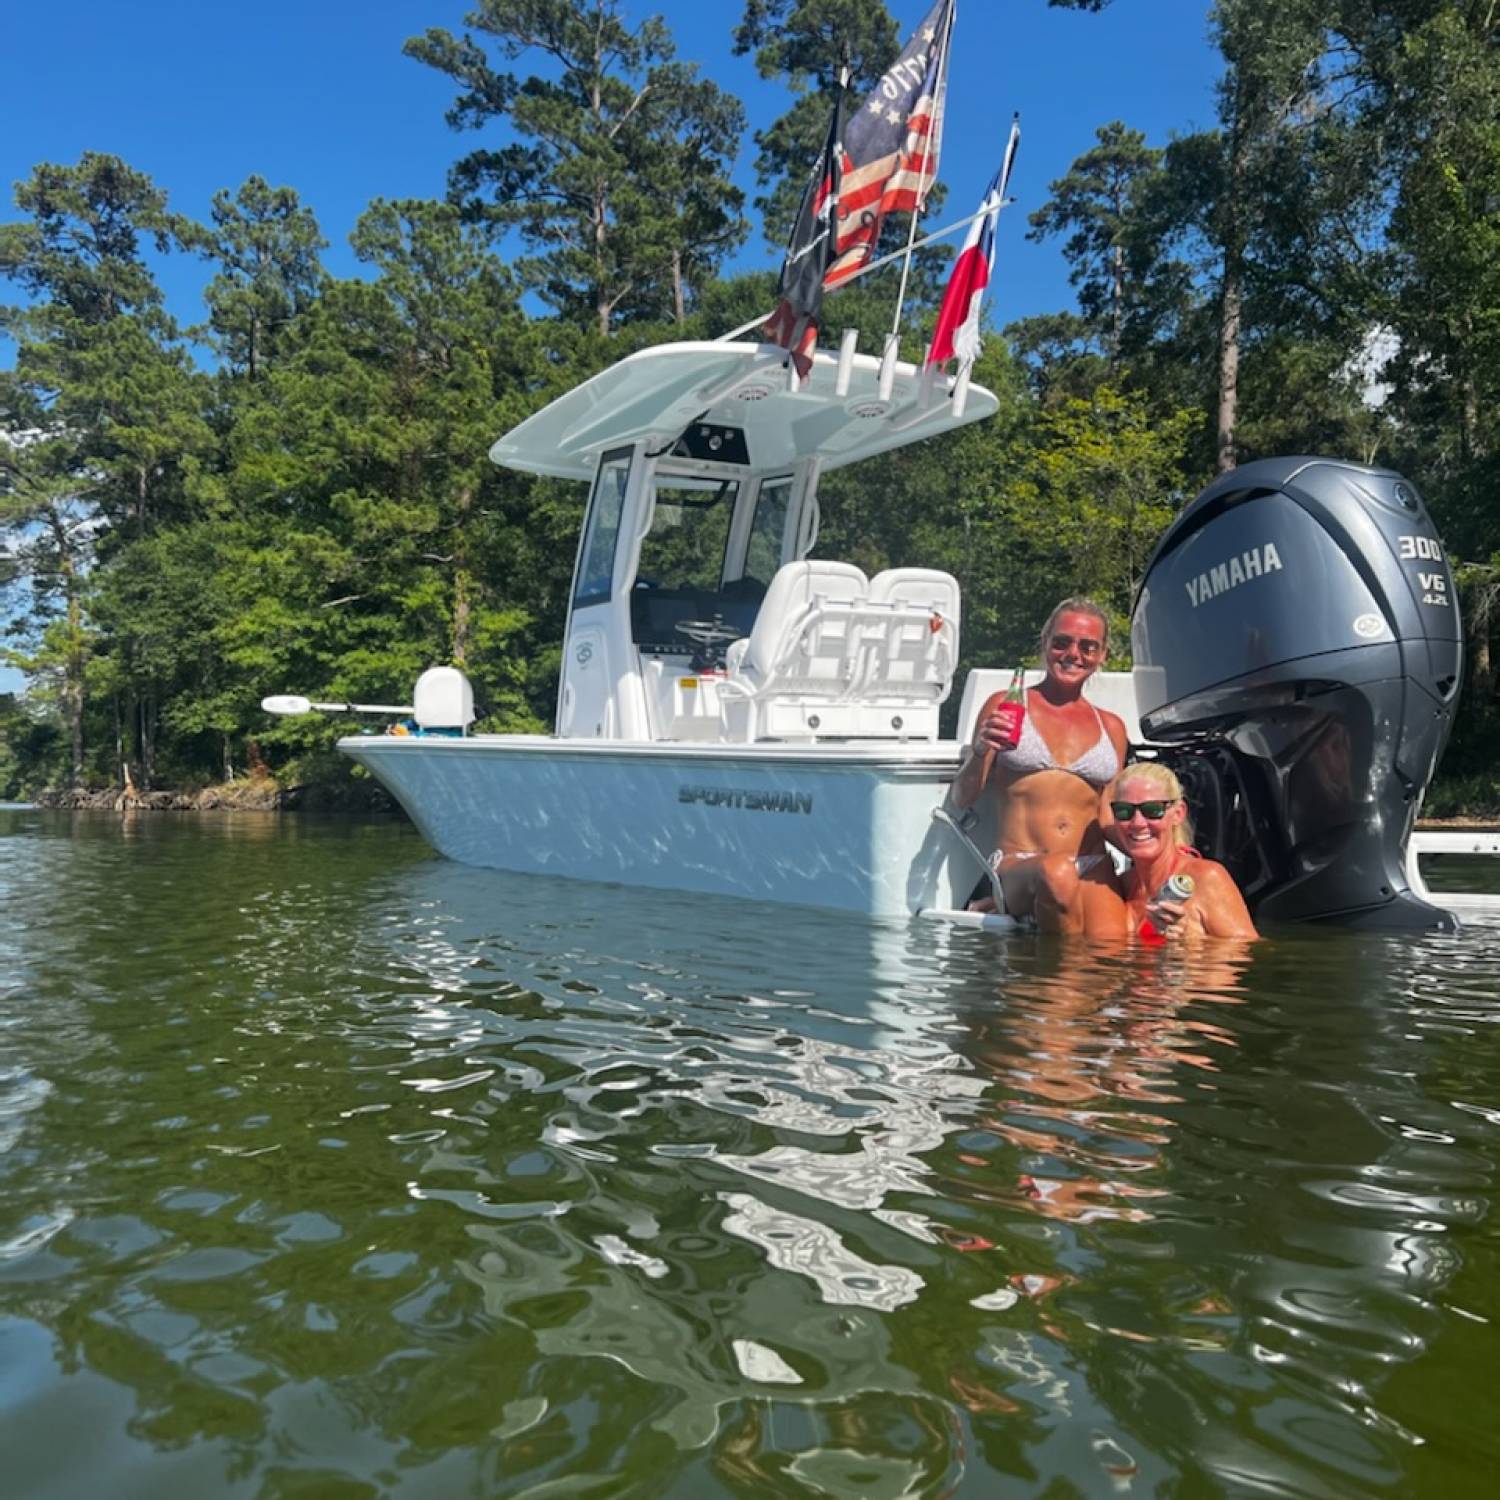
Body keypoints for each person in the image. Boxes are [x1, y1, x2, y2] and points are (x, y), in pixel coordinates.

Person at [951, 597, 1128, 932]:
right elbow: (963, 798)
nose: (1074, 654)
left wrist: (1167, 853)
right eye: (1062, 642)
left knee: (1113, 953)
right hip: (1022, 863)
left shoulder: (1112, 726)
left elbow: (1107, 813)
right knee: (1057, 873)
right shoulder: (1005, 707)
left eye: (1088, 647)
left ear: (1103, 655)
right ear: (1045, 643)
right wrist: (978, 751)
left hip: (1093, 863)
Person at [1101, 761, 1259, 941]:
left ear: (1178, 814)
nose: (1137, 822)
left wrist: (1191, 941)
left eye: (1152, 810)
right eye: (1124, 811)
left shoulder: (1207, 878)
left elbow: (1246, 955)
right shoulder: (1122, 885)